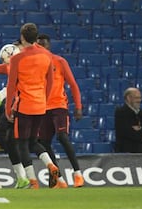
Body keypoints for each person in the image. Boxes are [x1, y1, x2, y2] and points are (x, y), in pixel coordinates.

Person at [6, 23, 60, 188]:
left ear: (22, 38)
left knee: (22, 143)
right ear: (36, 38)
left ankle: (33, 181)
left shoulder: (17, 58)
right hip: (40, 105)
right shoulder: (46, 55)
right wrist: (44, 100)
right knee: (33, 141)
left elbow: (11, 85)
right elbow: (50, 82)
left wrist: (9, 108)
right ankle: (50, 165)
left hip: (24, 106)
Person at [36, 33, 84, 188]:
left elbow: (73, 84)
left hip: (59, 106)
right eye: (38, 44)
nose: (41, 46)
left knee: (62, 137)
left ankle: (78, 174)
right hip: (42, 108)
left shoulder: (60, 61)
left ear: (49, 45)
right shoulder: (35, 64)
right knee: (43, 143)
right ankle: (58, 178)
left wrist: (78, 106)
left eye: (43, 44)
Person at [115, 87, 142, 153]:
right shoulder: (121, 112)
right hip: (127, 152)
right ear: (128, 98)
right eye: (136, 98)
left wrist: (140, 129)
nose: (139, 100)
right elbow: (126, 132)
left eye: (140, 98)